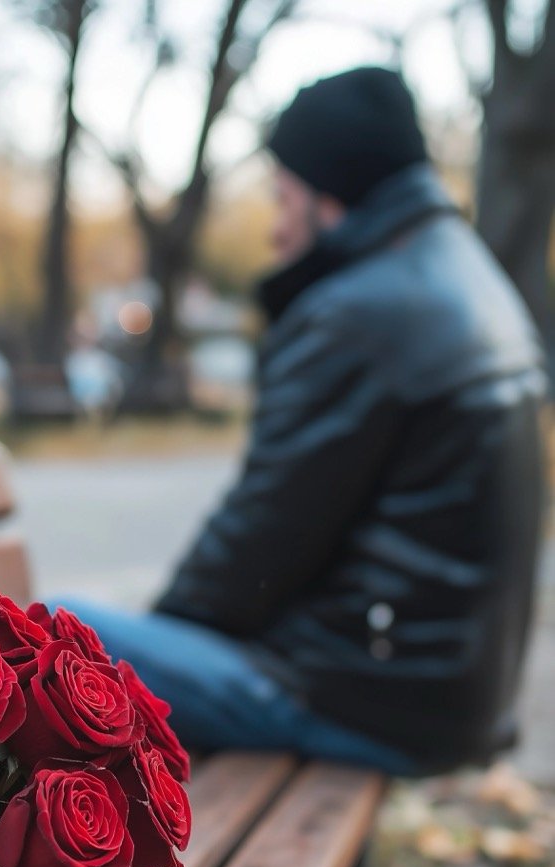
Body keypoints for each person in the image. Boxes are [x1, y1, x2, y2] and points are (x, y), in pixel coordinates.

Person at [55, 66, 548, 777]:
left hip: (371, 703)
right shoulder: (466, 279)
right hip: (445, 696)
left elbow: (257, 543)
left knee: (64, 630)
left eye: (282, 196)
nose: (275, 226)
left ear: (330, 195)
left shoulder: (360, 312)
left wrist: (148, 659)